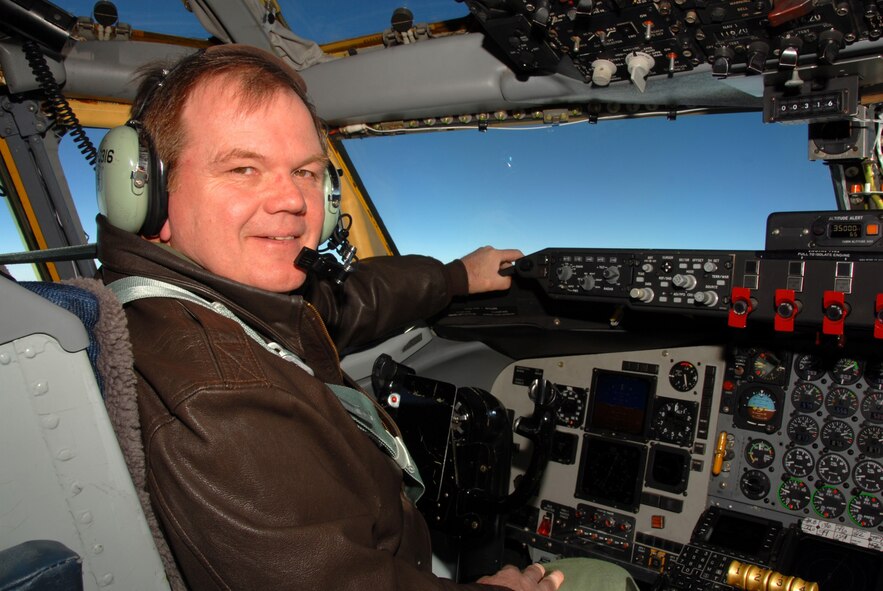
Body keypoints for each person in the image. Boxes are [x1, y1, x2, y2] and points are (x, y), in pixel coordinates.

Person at [96, 44, 564, 591]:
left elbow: (344, 305)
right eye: (244, 168)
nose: (293, 201)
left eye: (305, 172)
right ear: (147, 193)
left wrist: (458, 276)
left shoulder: (210, 304)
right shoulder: (219, 397)